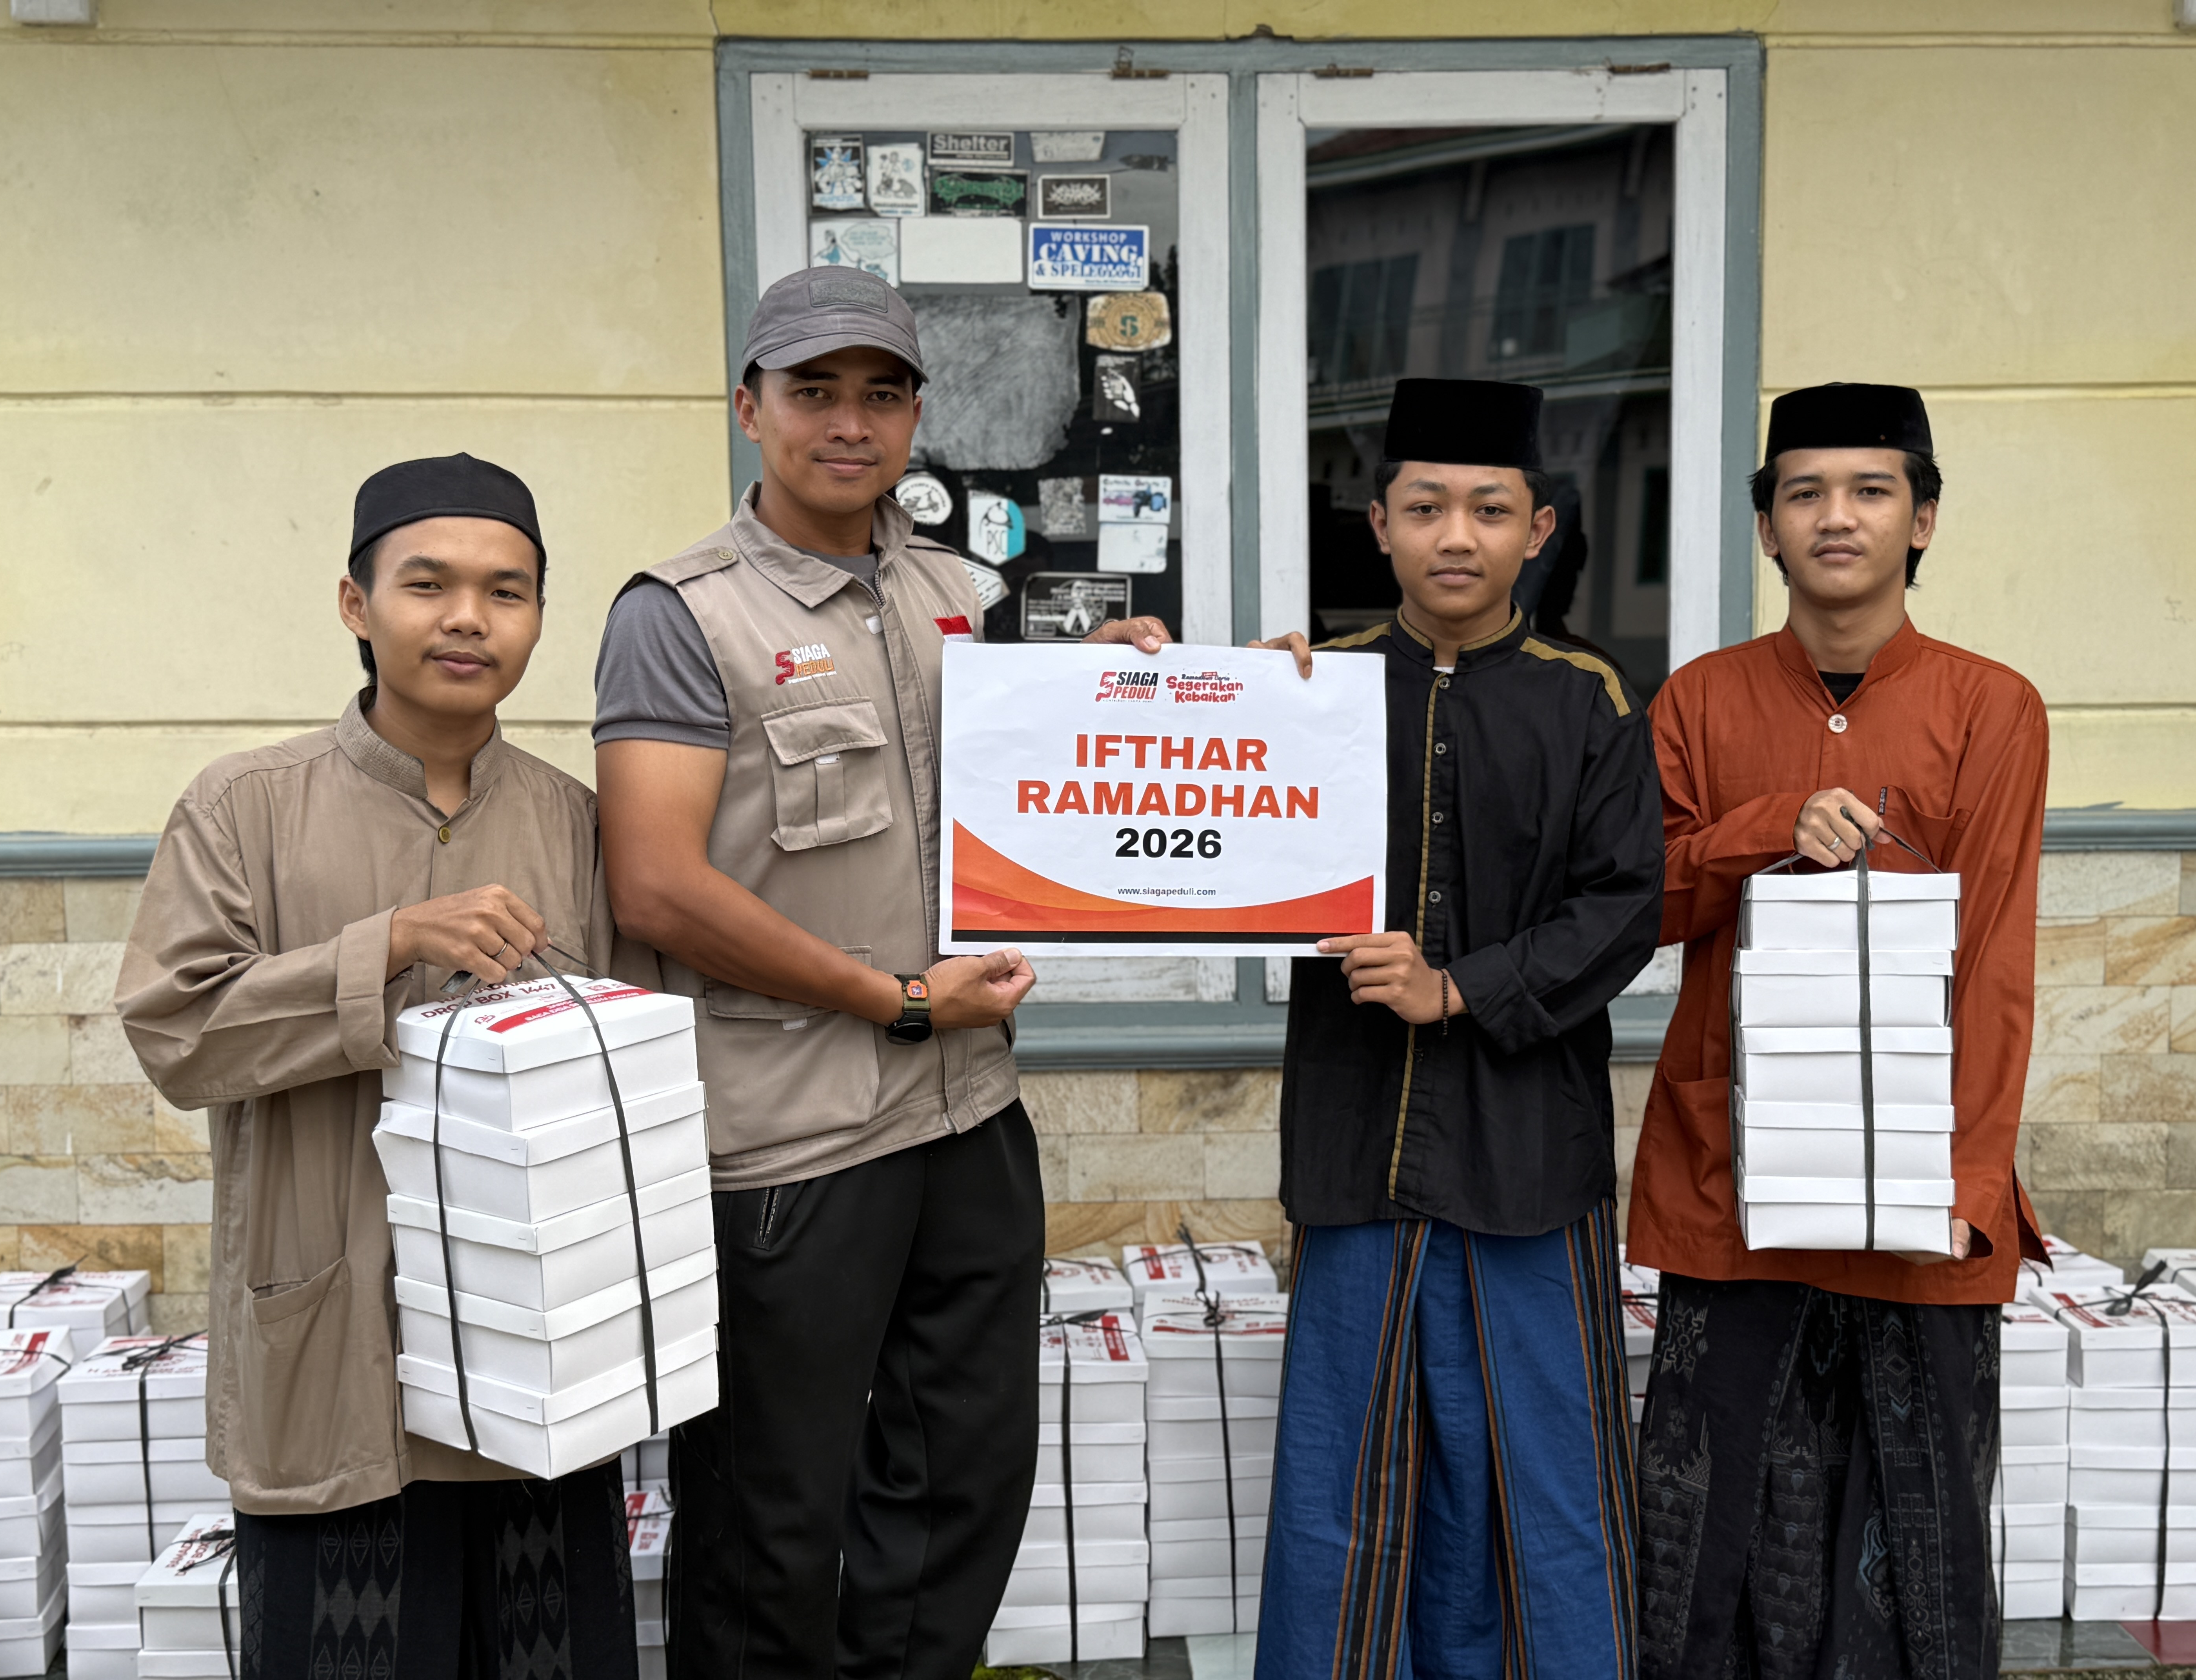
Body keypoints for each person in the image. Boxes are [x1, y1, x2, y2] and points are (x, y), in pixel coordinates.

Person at [590, 265, 1170, 1680]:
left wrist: (1136, 688)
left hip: (966, 1111)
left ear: (916, 416)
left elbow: (1008, 791)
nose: (849, 423)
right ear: (750, 409)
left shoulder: (955, 589)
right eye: (814, 391)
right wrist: (895, 1000)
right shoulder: (683, 614)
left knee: (962, 1478)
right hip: (792, 1134)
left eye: (881, 393)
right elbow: (656, 883)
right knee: (775, 1515)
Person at [114, 455, 635, 1676]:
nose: (469, 618)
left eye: (507, 591)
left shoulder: (575, 821)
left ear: (539, 618)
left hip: (533, 1365)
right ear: (356, 603)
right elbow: (177, 1029)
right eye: (429, 583)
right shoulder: (244, 807)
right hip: (333, 1356)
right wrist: (388, 945)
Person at [1627, 383, 2047, 1678]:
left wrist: (1968, 1183)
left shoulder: (1992, 707)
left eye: (1871, 489)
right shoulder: (1698, 701)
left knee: (1917, 1542)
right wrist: (1771, 825)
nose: (1837, 517)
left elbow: (1996, 962)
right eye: (1804, 491)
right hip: (1735, 1181)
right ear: (1766, 527)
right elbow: (1643, 905)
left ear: (1923, 519)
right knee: (1706, 1539)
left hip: (1917, 1189)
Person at [1248, 378, 1664, 1680]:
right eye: (1425, 507)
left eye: (1489, 509)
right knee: (1343, 1478)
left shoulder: (1588, 700)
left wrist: (1462, 987)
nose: (1456, 536)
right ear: (1379, 525)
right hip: (1358, 1136)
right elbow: (1199, 836)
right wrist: (1201, 696)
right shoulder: (1311, 690)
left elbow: (1624, 907)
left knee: (1548, 1473)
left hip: (1527, 1148)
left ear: (1537, 530)